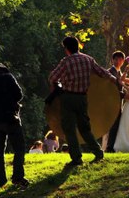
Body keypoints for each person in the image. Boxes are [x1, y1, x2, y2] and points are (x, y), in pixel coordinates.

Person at [48, 36, 117, 167]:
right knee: (85, 127)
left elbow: (52, 77)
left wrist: (57, 86)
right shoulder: (88, 59)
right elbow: (102, 72)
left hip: (68, 98)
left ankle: (76, 158)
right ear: (78, 46)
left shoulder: (66, 61)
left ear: (67, 49)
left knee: (69, 129)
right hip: (82, 98)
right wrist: (113, 79)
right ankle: (98, 152)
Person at [104, 50, 126, 153]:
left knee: (117, 125)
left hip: (119, 103)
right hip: (111, 102)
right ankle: (109, 147)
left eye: (120, 59)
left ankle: (113, 146)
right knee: (112, 125)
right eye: (116, 59)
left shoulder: (121, 73)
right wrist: (124, 95)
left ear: (123, 61)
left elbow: (122, 87)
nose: (118, 61)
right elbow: (109, 89)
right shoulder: (109, 72)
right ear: (112, 60)